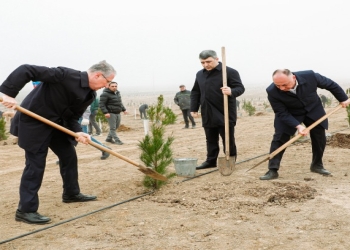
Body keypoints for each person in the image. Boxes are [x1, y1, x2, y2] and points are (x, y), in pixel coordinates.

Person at [0, 60, 116, 224]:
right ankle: (25, 210)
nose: (107, 85)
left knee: (69, 156)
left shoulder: (90, 95)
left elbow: (72, 116)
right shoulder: (65, 75)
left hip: (56, 126)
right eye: (108, 81)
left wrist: (78, 132)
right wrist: (9, 94)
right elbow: (26, 69)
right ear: (98, 75)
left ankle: (71, 193)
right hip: (34, 125)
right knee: (35, 165)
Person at [260, 69, 350, 180]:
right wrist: (298, 126)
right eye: (278, 85)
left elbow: (331, 85)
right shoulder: (272, 91)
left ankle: (317, 165)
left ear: (293, 77)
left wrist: (343, 98)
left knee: (319, 137)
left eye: (284, 85)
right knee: (280, 137)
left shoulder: (310, 76)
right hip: (290, 113)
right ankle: (272, 170)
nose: (282, 88)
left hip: (313, 109)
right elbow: (281, 112)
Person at [190, 50, 245, 170]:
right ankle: (211, 161)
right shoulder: (200, 74)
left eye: (208, 61)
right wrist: (193, 108)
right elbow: (196, 92)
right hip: (207, 111)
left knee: (227, 138)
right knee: (210, 138)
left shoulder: (229, 72)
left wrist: (231, 91)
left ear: (217, 59)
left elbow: (240, 88)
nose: (206, 65)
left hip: (224, 111)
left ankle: (230, 160)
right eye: (202, 62)